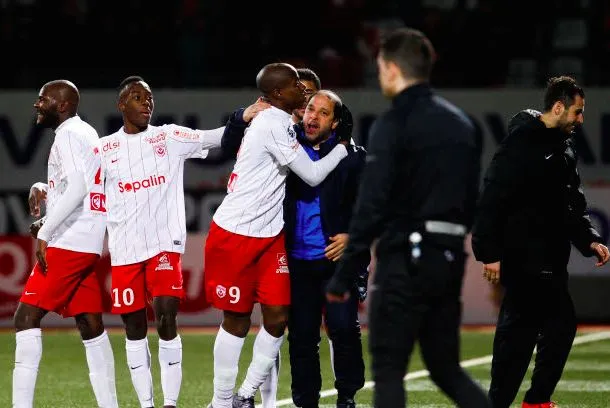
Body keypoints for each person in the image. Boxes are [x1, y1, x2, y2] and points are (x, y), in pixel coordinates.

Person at [325, 28, 491, 408]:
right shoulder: (463, 124)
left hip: (405, 262)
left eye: (381, 66)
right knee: (446, 368)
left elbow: (372, 204)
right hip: (448, 260)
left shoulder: (393, 124)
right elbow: (471, 201)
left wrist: (343, 274)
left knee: (388, 371)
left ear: (393, 69)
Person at [204, 63, 350, 408]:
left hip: (271, 236)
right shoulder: (271, 123)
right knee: (237, 321)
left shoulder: (282, 121)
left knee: (278, 317)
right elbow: (313, 175)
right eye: (295, 87)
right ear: (276, 94)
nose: (303, 92)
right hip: (235, 232)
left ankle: (245, 395)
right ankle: (222, 400)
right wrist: (343, 147)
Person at [97, 75, 248, 408]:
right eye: (138, 97)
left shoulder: (168, 137)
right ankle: (147, 403)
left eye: (149, 97)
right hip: (124, 250)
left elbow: (216, 138)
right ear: (122, 104)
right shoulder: (104, 148)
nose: (146, 103)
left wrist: (245, 116)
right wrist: (43, 187)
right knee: (134, 326)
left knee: (166, 313)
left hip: (164, 244)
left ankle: (170, 403)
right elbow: (80, 187)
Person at [471, 76, 610, 408]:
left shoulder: (563, 148)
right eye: (577, 112)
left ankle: (536, 401)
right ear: (559, 107)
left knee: (559, 331)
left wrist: (589, 239)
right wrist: (489, 253)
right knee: (518, 338)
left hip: (552, 258)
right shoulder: (520, 144)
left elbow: (571, 205)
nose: (580, 120)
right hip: (523, 259)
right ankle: (505, 402)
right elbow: (493, 197)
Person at [14, 80, 118, 408]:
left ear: (61, 106)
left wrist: (45, 233)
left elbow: (78, 188)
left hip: (69, 243)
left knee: (25, 317)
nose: (36, 105)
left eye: (42, 99)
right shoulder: (84, 133)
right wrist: (43, 187)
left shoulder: (70, 135)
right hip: (86, 241)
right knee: (90, 323)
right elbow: (80, 185)